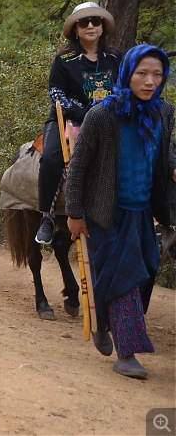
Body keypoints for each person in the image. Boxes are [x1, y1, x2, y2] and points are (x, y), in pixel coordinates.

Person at [66, 44, 175, 380]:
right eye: (142, 73)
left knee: (147, 269)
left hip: (143, 210)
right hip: (105, 212)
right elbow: (79, 167)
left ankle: (104, 321)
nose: (149, 81)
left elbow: (165, 153)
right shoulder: (102, 115)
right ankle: (126, 354)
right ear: (128, 73)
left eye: (157, 74)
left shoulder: (163, 113)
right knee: (125, 278)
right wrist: (74, 213)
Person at [35, 2, 121, 245]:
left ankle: (159, 217)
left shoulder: (115, 57)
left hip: (110, 120)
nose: (91, 25)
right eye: (84, 22)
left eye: (96, 21)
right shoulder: (64, 59)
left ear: (103, 27)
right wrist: (86, 113)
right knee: (51, 157)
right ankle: (47, 216)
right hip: (69, 119)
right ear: (75, 29)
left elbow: (124, 87)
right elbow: (56, 94)